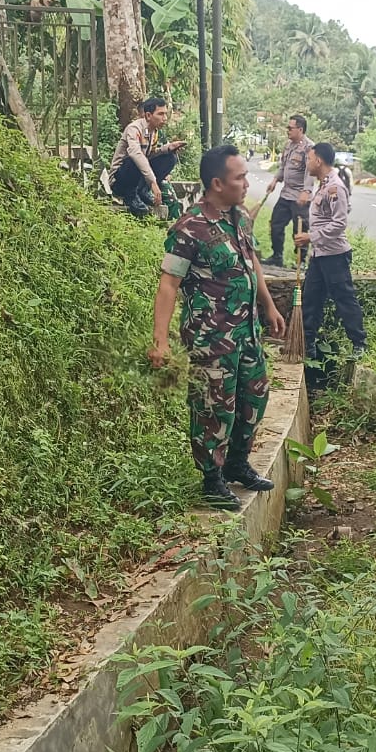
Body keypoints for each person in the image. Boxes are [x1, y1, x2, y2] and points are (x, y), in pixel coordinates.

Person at [149, 144, 287, 511]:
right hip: (211, 339)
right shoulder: (189, 228)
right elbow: (168, 284)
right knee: (214, 408)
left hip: (248, 332)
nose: (246, 183)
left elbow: (252, 262)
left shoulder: (239, 217)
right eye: (239, 177)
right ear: (216, 183)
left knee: (253, 398)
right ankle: (212, 479)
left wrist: (269, 306)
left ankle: (238, 464)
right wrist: (159, 342)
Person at [295, 143, 367, 387]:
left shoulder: (335, 187)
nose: (307, 163)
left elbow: (339, 224)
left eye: (310, 159)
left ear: (319, 161)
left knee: (344, 299)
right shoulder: (323, 185)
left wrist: (310, 237)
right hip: (319, 255)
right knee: (311, 299)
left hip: (334, 255)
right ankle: (309, 347)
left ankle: (359, 344)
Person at [110, 96, 186, 218]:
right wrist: (153, 182)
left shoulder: (153, 132)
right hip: (120, 180)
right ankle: (130, 196)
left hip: (138, 178)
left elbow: (150, 155)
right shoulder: (134, 129)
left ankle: (142, 191)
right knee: (135, 158)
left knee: (170, 158)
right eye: (160, 114)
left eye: (165, 114)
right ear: (148, 115)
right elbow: (136, 154)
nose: (164, 118)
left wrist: (168, 148)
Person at [265, 114, 312, 267]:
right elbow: (283, 166)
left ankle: (300, 261)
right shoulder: (288, 146)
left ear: (300, 129)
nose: (288, 131)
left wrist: (307, 191)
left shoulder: (309, 147)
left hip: (300, 197)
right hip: (286, 194)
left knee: (299, 230)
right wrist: (274, 180)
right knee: (276, 224)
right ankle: (277, 256)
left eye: (290, 128)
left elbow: (310, 171)